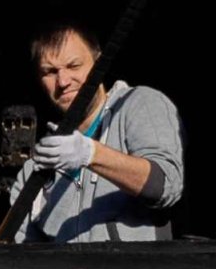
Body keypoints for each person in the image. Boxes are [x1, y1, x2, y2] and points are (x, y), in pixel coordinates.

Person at [12, 21, 184, 244]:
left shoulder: (140, 104)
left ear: (99, 62)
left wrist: (91, 154)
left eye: (74, 66)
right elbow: (23, 251)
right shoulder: (37, 166)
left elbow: (166, 185)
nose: (63, 81)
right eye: (50, 72)